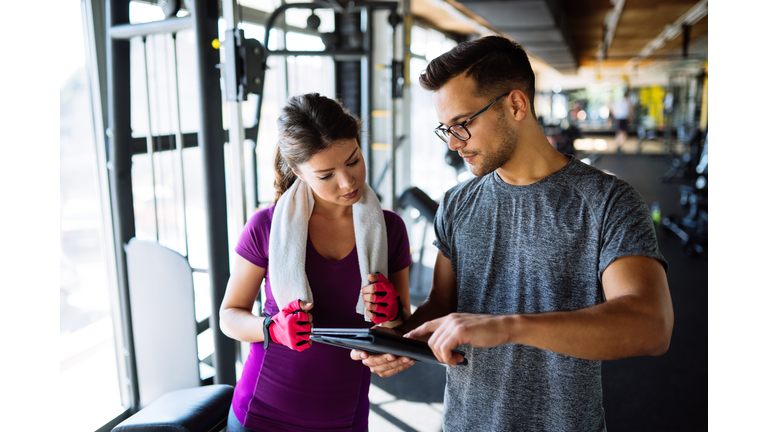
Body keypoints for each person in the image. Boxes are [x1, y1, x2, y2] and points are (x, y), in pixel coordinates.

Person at [351, 36, 673, 431]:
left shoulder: (607, 201)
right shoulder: (457, 203)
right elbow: (441, 302)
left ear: (516, 104)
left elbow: (650, 324)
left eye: (463, 124)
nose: (453, 144)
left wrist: (507, 326)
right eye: (445, 129)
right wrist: (404, 340)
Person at [220, 93, 412, 432]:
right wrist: (272, 329)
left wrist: (392, 312)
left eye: (353, 160)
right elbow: (229, 316)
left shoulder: (390, 228)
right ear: (298, 172)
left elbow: (401, 328)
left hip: (345, 415)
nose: (347, 181)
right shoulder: (266, 225)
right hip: (262, 414)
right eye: (325, 175)